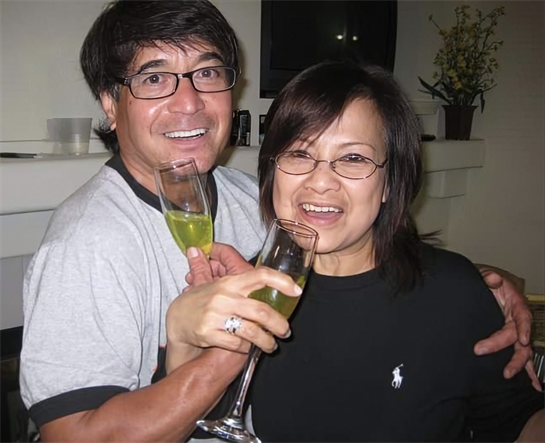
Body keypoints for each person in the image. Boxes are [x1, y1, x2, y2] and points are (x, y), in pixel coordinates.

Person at [18, 0, 536, 441]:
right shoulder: (86, 245)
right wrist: (219, 355)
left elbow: (359, 260)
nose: (190, 101)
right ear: (110, 104)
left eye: (207, 73)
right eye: (154, 78)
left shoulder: (255, 199)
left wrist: (478, 287)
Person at [182, 61, 544, 442]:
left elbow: (519, 422)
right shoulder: (252, 291)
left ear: (390, 182)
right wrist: (187, 340)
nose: (321, 181)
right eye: (300, 154)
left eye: (353, 158)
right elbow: (207, 417)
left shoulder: (455, 292)